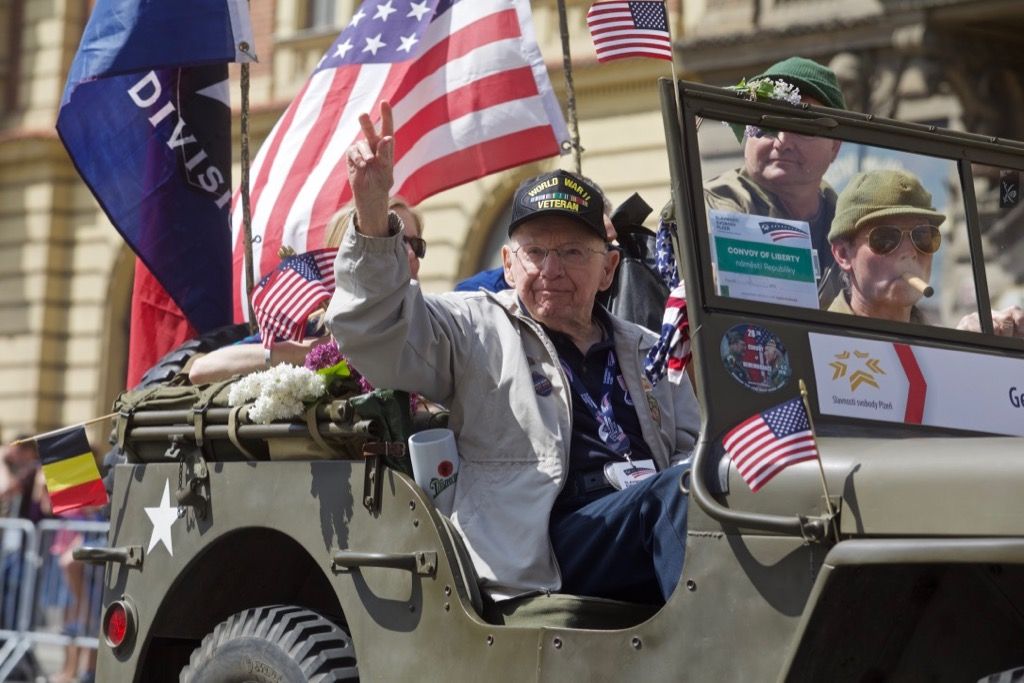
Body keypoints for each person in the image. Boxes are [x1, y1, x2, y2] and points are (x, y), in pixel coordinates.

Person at [328, 102, 700, 604]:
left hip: (645, 521)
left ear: (609, 270)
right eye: (535, 252)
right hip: (541, 544)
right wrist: (372, 213)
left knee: (709, 488)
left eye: (572, 252)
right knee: (675, 496)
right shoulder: (475, 326)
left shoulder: (648, 349)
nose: (551, 269)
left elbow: (691, 449)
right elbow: (377, 330)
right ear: (508, 263)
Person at [188, 197, 426, 384]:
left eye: (416, 244)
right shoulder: (308, 328)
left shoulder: (430, 324)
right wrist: (320, 350)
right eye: (396, 241)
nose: (411, 254)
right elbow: (202, 370)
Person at [703, 56, 846, 302]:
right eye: (765, 125)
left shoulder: (850, 222)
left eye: (802, 127)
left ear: (835, 147)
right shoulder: (714, 205)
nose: (782, 142)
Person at [828, 169, 1024, 336]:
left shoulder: (941, 345)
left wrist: (979, 349)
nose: (908, 252)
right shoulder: (815, 343)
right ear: (843, 254)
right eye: (885, 238)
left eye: (922, 237)